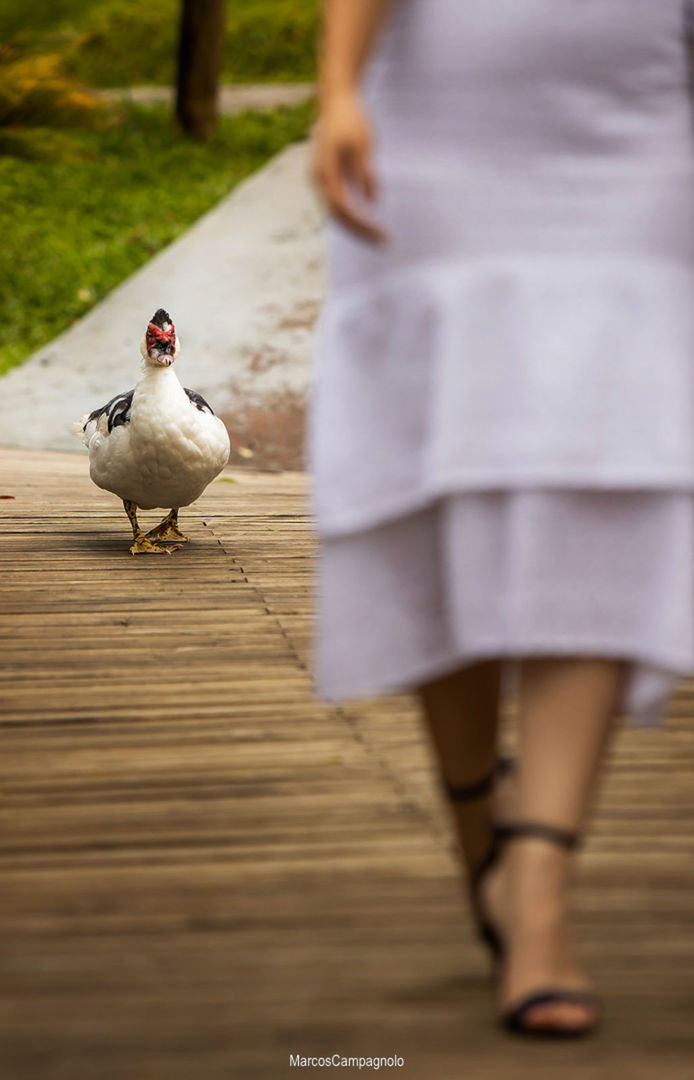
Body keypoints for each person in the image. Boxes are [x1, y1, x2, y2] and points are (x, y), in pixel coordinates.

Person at [307, 0, 694, 1037]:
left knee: (605, 477)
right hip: (433, 134)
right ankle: (480, 824)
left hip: (637, 137)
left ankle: (540, 890)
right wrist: (338, 87)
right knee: (446, 479)